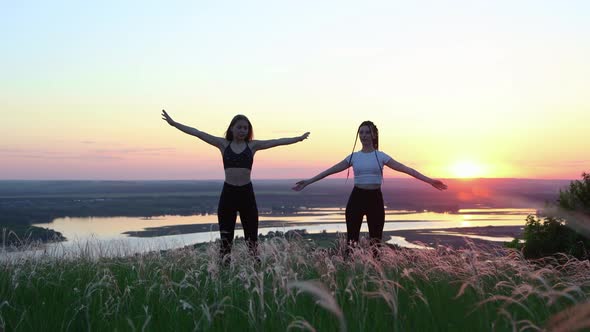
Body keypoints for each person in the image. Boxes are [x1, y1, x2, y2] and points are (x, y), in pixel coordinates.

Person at [162, 110, 309, 261]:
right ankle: (224, 270)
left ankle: (255, 272)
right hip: (229, 194)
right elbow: (198, 133)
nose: (242, 131)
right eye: (239, 127)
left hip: (246, 194)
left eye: (246, 128)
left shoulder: (252, 146)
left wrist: (298, 139)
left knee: (252, 239)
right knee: (226, 239)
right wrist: (174, 124)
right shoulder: (223, 144)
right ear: (232, 128)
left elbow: (276, 141)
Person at [293, 120, 447, 255]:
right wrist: (308, 182)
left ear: (374, 135)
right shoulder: (354, 157)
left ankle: (374, 276)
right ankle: (350, 274)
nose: (364, 135)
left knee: (376, 243)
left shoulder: (381, 156)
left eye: (367, 132)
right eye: (361, 132)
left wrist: (430, 181)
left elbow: (407, 169)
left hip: (375, 199)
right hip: (356, 199)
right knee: (351, 242)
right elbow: (329, 171)